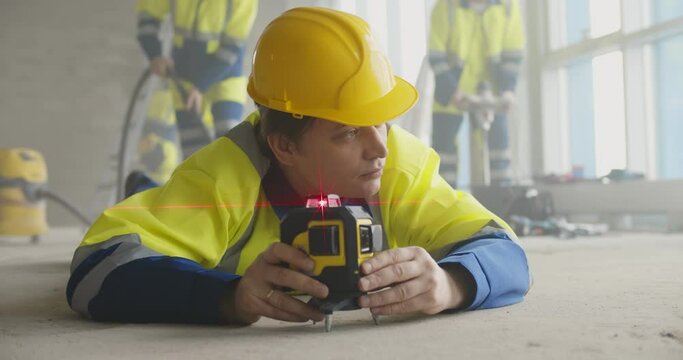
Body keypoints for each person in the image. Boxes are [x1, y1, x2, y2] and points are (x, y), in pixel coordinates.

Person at [67, 7, 529, 325]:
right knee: (156, 196)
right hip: (196, 199)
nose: (379, 148)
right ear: (283, 147)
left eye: (382, 123)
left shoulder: (397, 165)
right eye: (348, 132)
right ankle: (145, 186)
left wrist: (452, 285)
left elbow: (504, 249)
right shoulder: (226, 175)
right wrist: (227, 297)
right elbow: (95, 269)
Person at [136, 0, 258, 158]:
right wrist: (154, 54)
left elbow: (232, 47)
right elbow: (148, 15)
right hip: (184, 80)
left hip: (225, 79)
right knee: (194, 158)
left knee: (230, 151)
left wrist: (201, 86)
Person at [429, 0, 524, 186]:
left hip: (493, 93)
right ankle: (444, 207)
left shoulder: (507, 5)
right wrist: (451, 91)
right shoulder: (446, 6)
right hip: (452, 93)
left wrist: (508, 90)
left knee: (499, 155)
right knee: (444, 156)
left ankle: (501, 205)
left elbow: (512, 53)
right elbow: (436, 54)